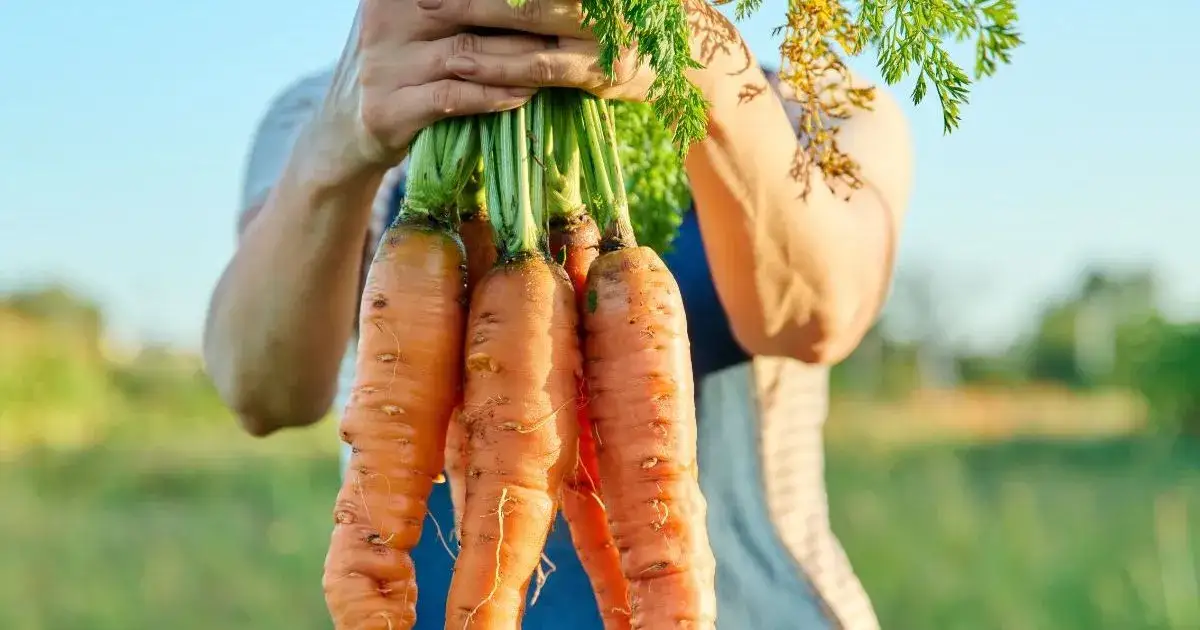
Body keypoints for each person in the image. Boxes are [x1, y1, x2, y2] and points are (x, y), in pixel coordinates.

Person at [202, 0, 913, 628]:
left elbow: (816, 317)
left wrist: (701, 62)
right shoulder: (339, 97)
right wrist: (339, 141)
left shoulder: (810, 106)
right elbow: (262, 390)